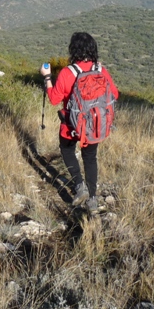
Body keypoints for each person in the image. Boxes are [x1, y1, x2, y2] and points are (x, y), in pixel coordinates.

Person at [40, 32, 119, 212]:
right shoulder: (101, 71)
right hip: (94, 126)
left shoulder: (67, 73)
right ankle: (92, 199)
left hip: (71, 126)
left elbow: (53, 99)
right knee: (90, 158)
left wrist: (47, 77)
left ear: (73, 50)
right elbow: (115, 94)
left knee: (67, 150)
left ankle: (79, 185)